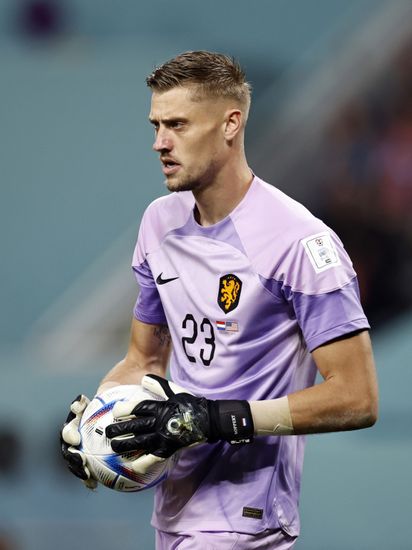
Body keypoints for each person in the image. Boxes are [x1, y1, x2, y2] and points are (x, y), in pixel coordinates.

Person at [61, 51, 378, 549]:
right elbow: (142, 360)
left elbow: (357, 397)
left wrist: (217, 419)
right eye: (156, 125)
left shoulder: (300, 242)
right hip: (175, 508)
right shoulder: (158, 222)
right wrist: (97, 424)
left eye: (178, 125)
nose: (159, 143)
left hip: (245, 516)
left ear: (231, 124)